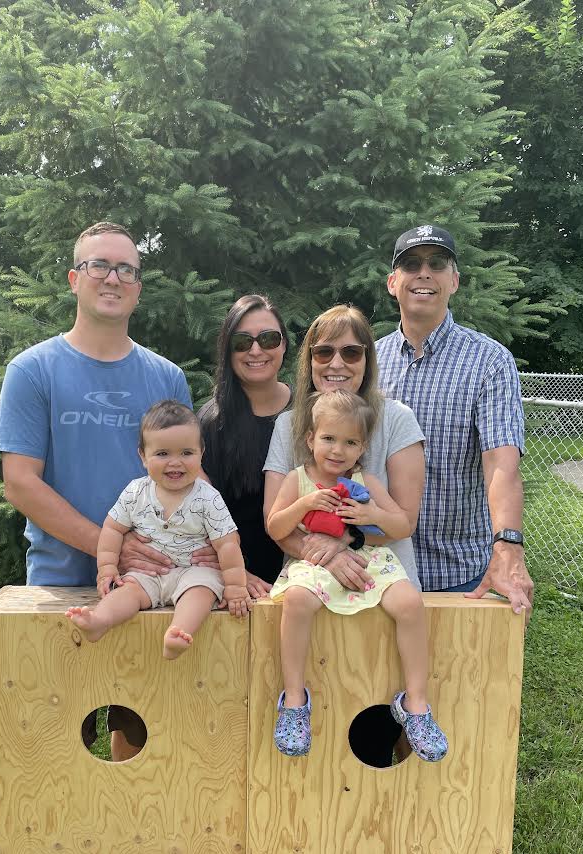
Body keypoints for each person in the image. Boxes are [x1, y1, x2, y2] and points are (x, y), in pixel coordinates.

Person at [0, 220, 192, 759]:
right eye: (99, 265)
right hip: (60, 581)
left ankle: (130, 835)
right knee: (60, 734)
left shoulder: (166, 377)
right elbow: (20, 483)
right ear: (73, 279)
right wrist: (113, 548)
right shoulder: (33, 370)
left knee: (139, 721)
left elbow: (188, 482)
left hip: (149, 581)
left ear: (138, 288)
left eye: (127, 269)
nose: (113, 277)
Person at [263, 304, 426, 766]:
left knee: (368, 726)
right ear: (309, 360)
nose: (337, 363)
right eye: (324, 352)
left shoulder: (396, 419)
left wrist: (347, 544)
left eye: (351, 352)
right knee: (308, 753)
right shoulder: (290, 424)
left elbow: (402, 518)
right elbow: (276, 522)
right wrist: (327, 557)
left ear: (368, 359)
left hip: (380, 580)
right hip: (312, 582)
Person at [377, 225, 533, 613]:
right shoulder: (366, 362)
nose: (424, 273)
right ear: (393, 282)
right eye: (411, 264)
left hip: (459, 572)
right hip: (379, 567)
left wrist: (509, 546)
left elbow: (501, 463)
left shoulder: (489, 362)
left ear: (455, 280)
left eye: (438, 263)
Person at [65, 401, 250, 653]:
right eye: (162, 454)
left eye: (186, 453)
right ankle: (99, 621)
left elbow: (227, 543)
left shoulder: (208, 497)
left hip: (192, 571)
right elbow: (112, 529)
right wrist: (107, 568)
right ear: (143, 456)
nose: (175, 462)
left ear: (201, 453)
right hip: (146, 575)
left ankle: (178, 633)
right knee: (127, 591)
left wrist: (236, 587)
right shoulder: (135, 492)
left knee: (202, 590)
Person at [199, 294, 292, 593]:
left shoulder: (311, 413)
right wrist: (235, 573)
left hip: (308, 580)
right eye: (242, 342)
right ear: (228, 350)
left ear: (284, 345)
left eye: (268, 339)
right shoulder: (211, 423)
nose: (256, 350)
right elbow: (199, 516)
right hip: (233, 587)